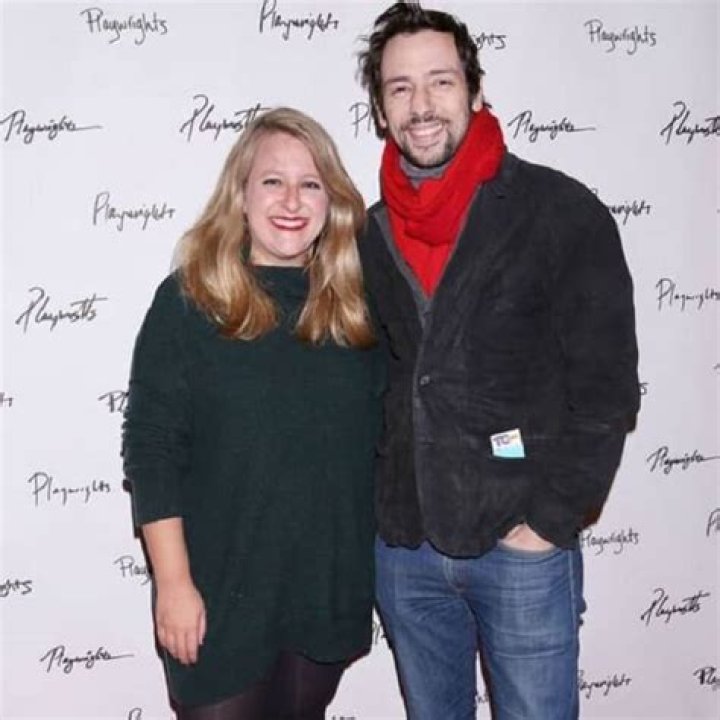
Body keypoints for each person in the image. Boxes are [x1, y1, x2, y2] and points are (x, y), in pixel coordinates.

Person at [356, 3, 640, 719]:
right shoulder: (366, 234)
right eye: (399, 88)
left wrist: (547, 523)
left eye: (440, 82)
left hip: (521, 549)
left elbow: (606, 391)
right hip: (407, 553)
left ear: (476, 91)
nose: (422, 106)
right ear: (381, 112)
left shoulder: (560, 212)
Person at [122, 107, 384, 720]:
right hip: (219, 594)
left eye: (310, 183)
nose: (291, 200)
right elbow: (151, 449)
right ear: (240, 194)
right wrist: (173, 583)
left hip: (323, 592)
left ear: (331, 202)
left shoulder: (357, 309)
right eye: (273, 181)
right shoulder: (190, 300)